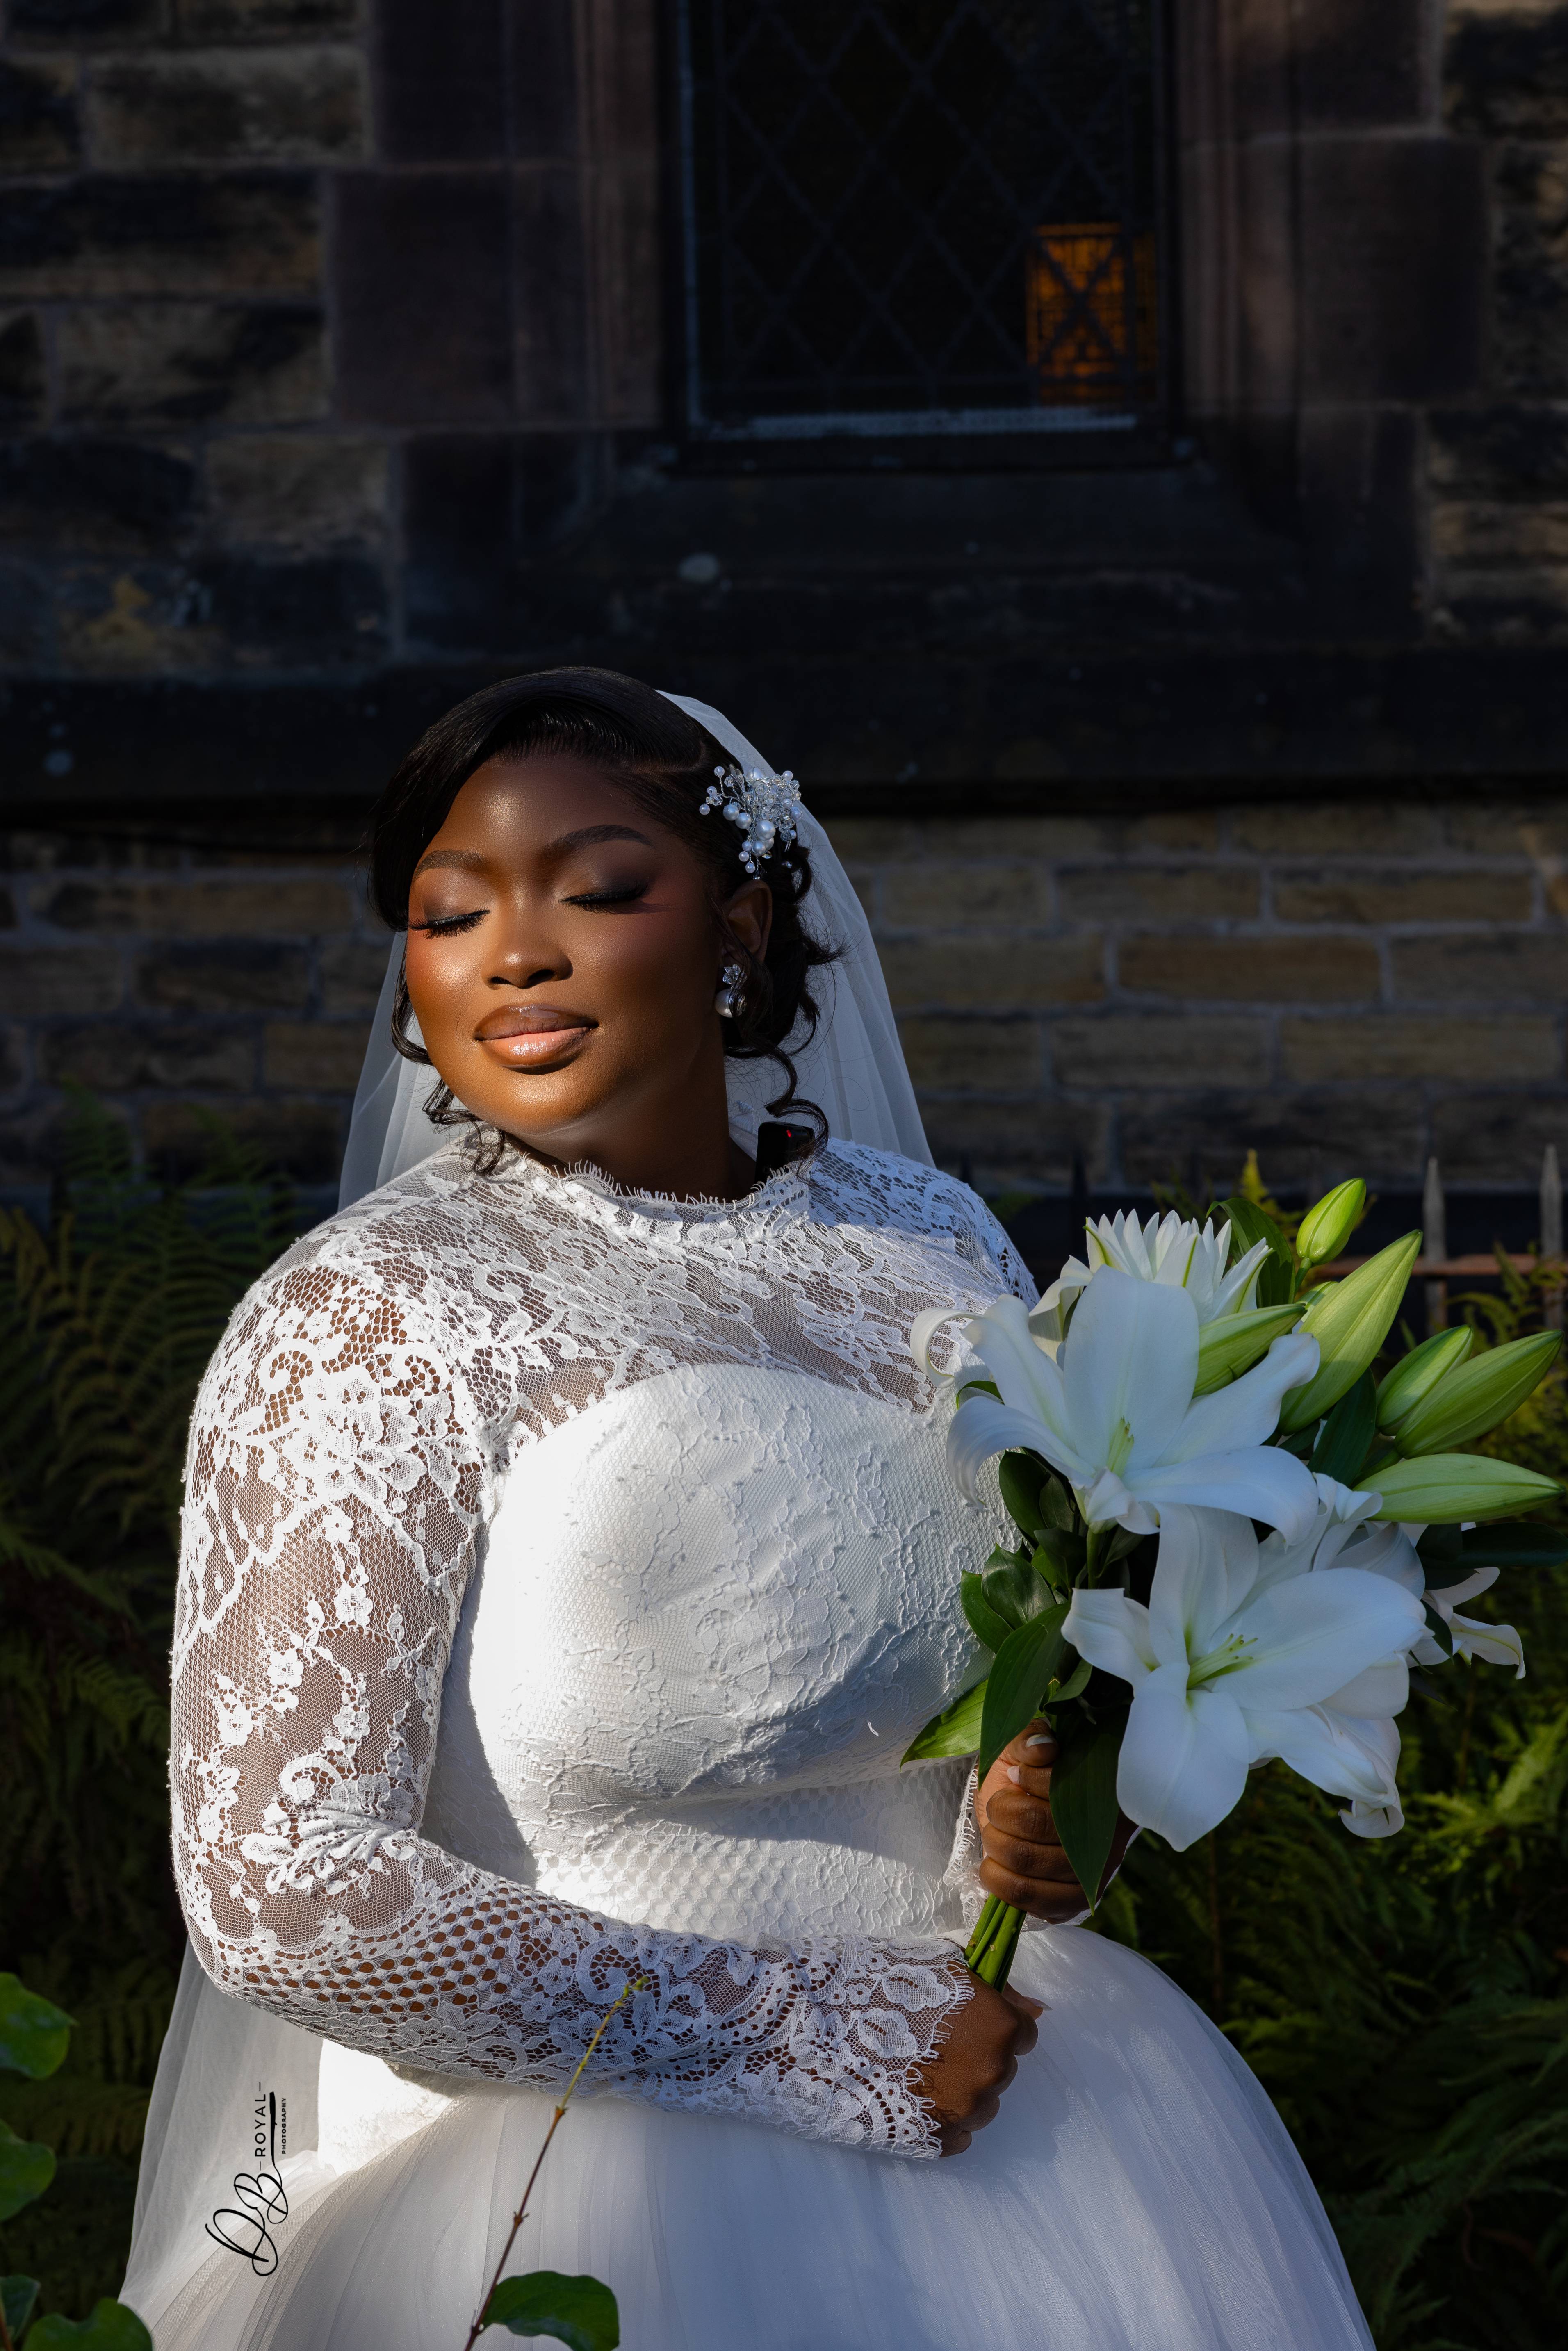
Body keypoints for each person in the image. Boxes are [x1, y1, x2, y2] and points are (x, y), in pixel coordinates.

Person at [124, 672, 1373, 2351]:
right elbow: (279, 1881)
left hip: (1050, 2138)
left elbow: (1049, 1653)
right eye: (447, 912)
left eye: (595, 887)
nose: (513, 951)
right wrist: (805, 2032)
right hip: (571, 2182)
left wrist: (1065, 1807)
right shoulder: (368, 1317)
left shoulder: (924, 1243)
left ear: (741, 918)